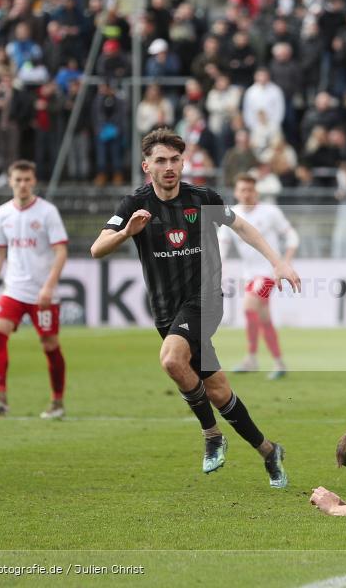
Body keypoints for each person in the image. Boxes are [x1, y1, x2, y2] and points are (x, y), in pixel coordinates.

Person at [90, 129, 300, 485]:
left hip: (205, 300)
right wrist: (127, 232)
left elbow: (243, 227)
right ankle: (269, 450)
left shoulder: (202, 198)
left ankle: (212, 436)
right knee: (217, 391)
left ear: (183, 162)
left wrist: (277, 262)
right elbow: (97, 248)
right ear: (147, 166)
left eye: (175, 160)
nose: (169, 167)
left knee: (172, 359)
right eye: (161, 160)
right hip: (166, 311)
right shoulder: (134, 206)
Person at [0, 160, 68, 419]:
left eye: (27, 179)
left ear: (34, 181)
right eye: (18, 180)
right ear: (10, 182)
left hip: (43, 294)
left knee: (50, 345)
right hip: (13, 290)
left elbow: (61, 251)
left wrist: (49, 287)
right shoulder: (3, 213)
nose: (23, 184)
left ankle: (57, 402)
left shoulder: (47, 212)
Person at [220, 174, 299, 379]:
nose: (247, 194)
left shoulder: (270, 212)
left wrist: (284, 263)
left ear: (256, 191)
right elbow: (222, 245)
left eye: (250, 190)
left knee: (248, 307)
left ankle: (251, 358)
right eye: (243, 190)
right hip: (249, 275)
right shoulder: (231, 214)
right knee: (264, 319)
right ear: (236, 192)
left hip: (268, 274)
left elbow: (292, 237)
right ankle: (279, 363)